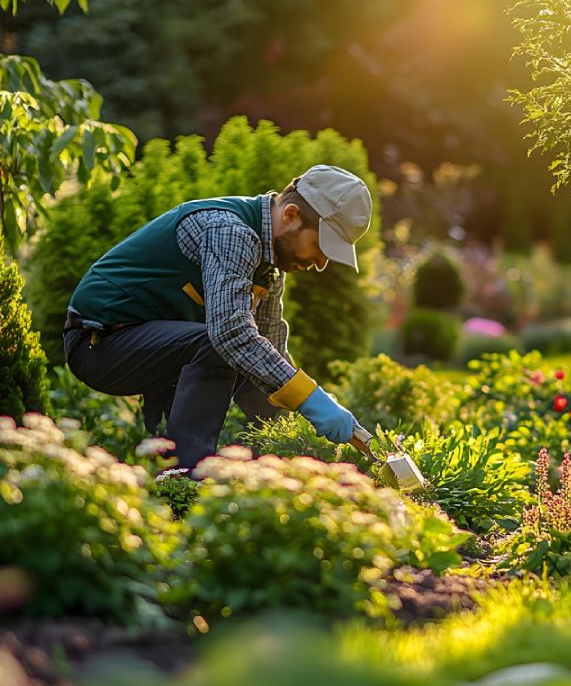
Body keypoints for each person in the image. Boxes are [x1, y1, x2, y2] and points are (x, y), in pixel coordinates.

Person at [63, 164, 373, 473]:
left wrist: (314, 411)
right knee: (223, 340)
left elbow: (269, 353)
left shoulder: (270, 266)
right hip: (100, 343)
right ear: (290, 215)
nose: (320, 263)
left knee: (254, 362)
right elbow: (231, 334)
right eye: (320, 246)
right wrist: (312, 401)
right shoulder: (231, 232)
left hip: (150, 347)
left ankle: (274, 468)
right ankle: (186, 479)